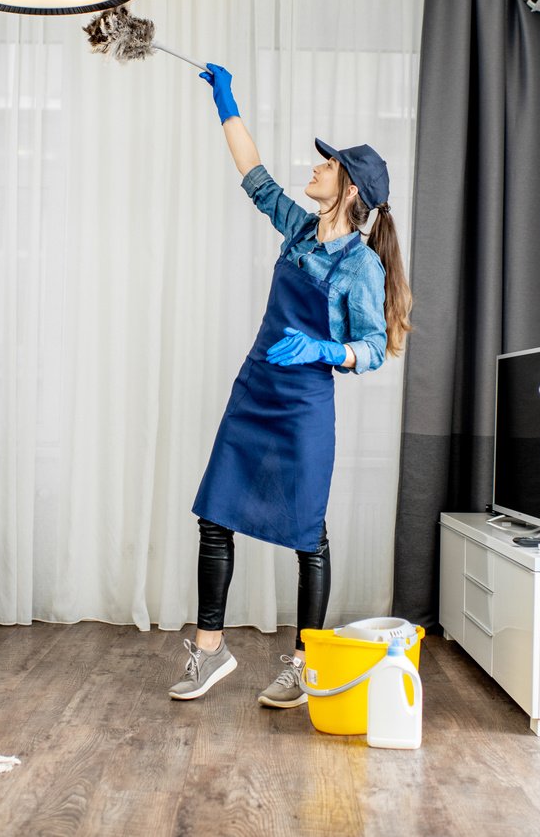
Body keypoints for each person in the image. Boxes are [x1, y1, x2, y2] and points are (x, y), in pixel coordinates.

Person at [170, 63, 414, 708]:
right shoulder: (300, 228)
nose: (315, 168)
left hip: (305, 406)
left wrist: (325, 348)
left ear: (350, 188)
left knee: (309, 534)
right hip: (254, 393)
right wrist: (228, 102)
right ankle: (210, 650)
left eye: (327, 165)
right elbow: (253, 176)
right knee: (214, 514)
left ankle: (305, 665)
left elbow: (375, 350)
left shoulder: (361, 265)